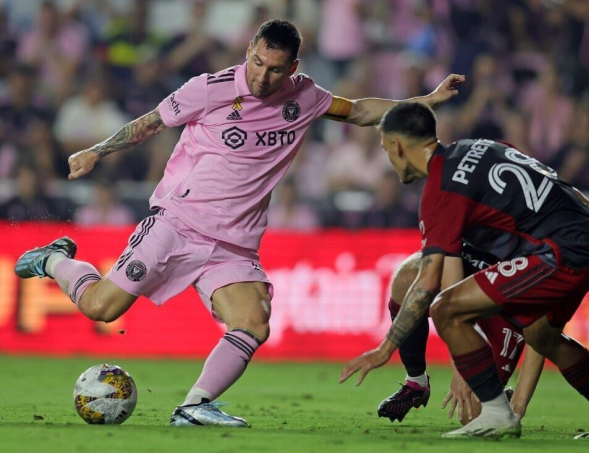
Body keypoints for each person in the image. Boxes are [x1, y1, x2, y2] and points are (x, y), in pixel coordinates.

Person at [14, 20, 464, 427]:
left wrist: (424, 101)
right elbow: (150, 123)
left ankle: (194, 405)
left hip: (233, 243)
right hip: (178, 223)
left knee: (254, 322)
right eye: (257, 62)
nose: (262, 75)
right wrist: (98, 150)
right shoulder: (209, 89)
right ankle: (54, 259)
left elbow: (362, 110)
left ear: (293, 68)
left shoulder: (304, 96)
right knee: (101, 309)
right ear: (249, 49)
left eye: (275, 69)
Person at [339, 102, 589, 440]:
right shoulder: (485, 147)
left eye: (387, 150)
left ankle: (497, 413)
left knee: (444, 308)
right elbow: (563, 190)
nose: (389, 159)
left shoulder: (441, 190)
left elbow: (430, 282)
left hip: (561, 253)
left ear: (396, 146)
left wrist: (385, 348)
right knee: (543, 336)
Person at [378, 244, 545, 425]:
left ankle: (498, 398)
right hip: (469, 267)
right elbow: (447, 264)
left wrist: (518, 406)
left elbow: (542, 326)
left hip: (510, 294)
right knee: (408, 278)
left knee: (471, 416)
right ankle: (416, 382)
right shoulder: (450, 217)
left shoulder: (541, 235)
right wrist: (460, 368)